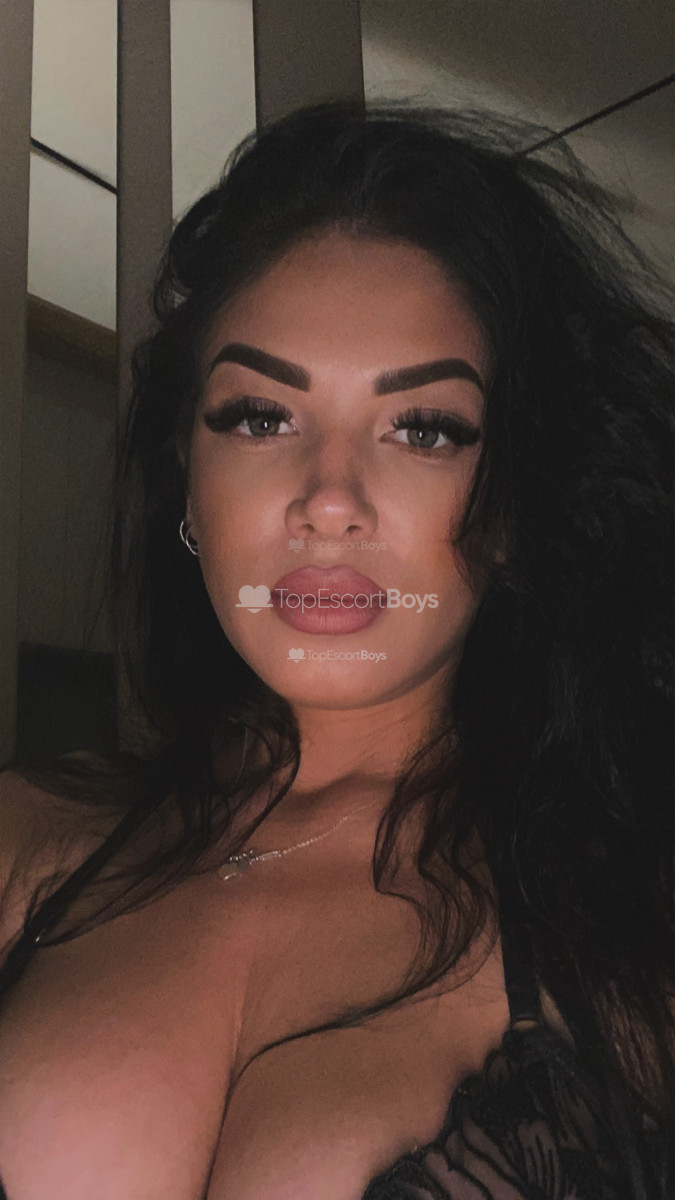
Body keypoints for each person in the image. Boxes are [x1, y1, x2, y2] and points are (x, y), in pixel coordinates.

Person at [0, 98, 673, 1199]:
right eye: (261, 417)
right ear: (187, 476)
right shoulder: (34, 841)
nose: (328, 500)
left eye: (424, 429)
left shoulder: (634, 907)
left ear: (510, 509)